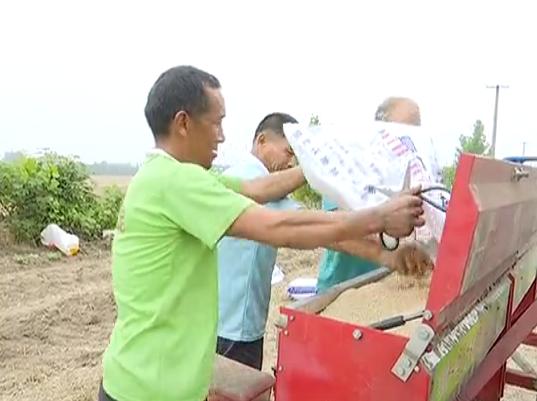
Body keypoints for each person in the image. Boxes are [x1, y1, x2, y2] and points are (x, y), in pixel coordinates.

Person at [98, 66, 426, 401]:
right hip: (149, 390)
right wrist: (379, 218)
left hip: (147, 379)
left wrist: (324, 161)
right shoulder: (176, 182)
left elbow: (258, 189)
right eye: (215, 122)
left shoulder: (170, 176)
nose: (222, 136)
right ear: (183, 123)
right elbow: (278, 227)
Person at [216, 113, 433, 371]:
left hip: (234, 323)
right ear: (261, 141)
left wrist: (386, 253)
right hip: (231, 328)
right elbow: (317, 228)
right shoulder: (248, 180)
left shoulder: (257, 187)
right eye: (288, 152)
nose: (290, 162)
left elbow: (321, 229)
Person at [316, 96, 425, 294]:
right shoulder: (348, 164)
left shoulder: (410, 171)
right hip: (341, 288)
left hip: (380, 285)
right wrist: (385, 252)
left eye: (414, 132)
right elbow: (335, 232)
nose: (407, 139)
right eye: (402, 131)